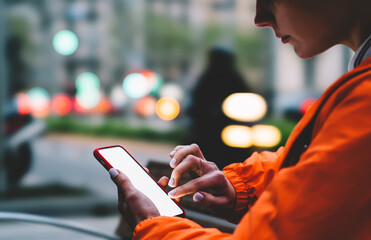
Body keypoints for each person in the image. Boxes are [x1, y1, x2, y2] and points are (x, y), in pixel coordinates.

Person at [108, 0, 371, 239]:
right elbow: (314, 166)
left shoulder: (364, 98)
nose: (260, 17)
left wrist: (155, 225)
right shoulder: (357, 83)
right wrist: (239, 186)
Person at [188, 46, 252, 169]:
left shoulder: (231, 79)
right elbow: (197, 105)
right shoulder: (211, 78)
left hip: (231, 133)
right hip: (209, 133)